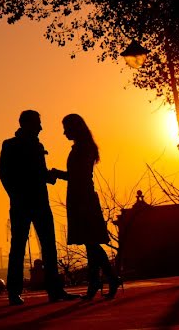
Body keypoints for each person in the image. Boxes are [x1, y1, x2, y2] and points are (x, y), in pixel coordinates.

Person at [0, 110, 78, 305]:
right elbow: (5, 174)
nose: (41, 128)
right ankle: (15, 291)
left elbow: (37, 174)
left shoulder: (36, 145)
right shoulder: (10, 145)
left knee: (47, 246)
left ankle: (54, 290)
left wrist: (49, 177)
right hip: (24, 203)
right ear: (27, 124)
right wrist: (17, 195)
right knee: (19, 247)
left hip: (39, 202)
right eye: (38, 124)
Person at [51, 113, 122, 300]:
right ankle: (100, 280)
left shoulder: (83, 148)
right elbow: (77, 175)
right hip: (80, 197)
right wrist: (60, 174)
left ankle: (108, 278)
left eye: (66, 128)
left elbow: (79, 176)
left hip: (83, 198)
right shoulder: (84, 147)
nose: (64, 132)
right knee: (90, 244)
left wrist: (58, 174)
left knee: (91, 242)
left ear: (75, 128)